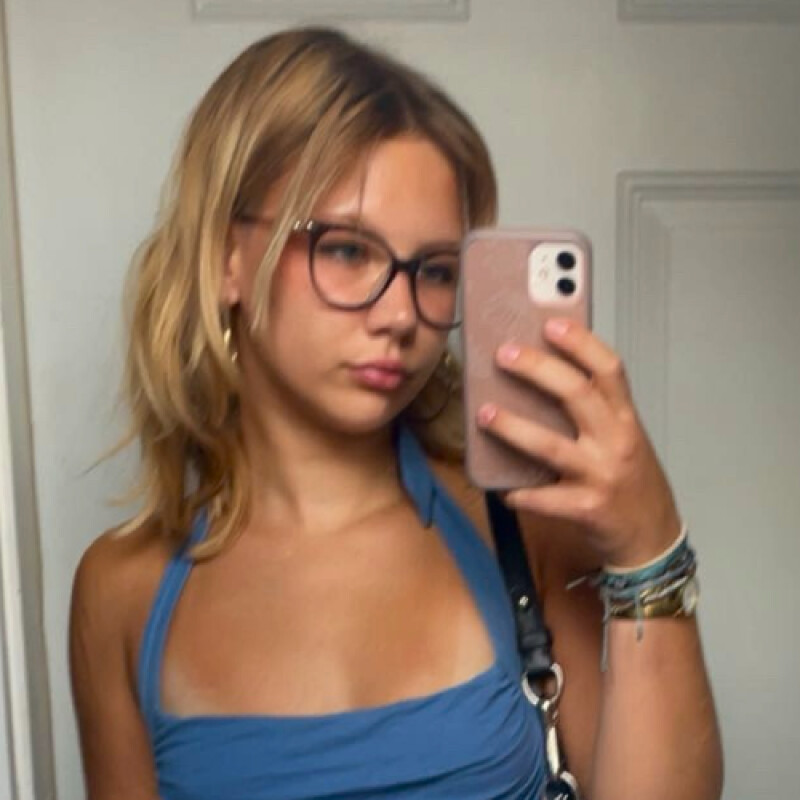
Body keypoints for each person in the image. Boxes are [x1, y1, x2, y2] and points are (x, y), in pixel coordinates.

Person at [69, 26, 723, 800]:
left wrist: (651, 546)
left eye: (435, 270)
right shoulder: (124, 591)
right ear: (225, 259)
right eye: (348, 250)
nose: (402, 314)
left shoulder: (524, 532)